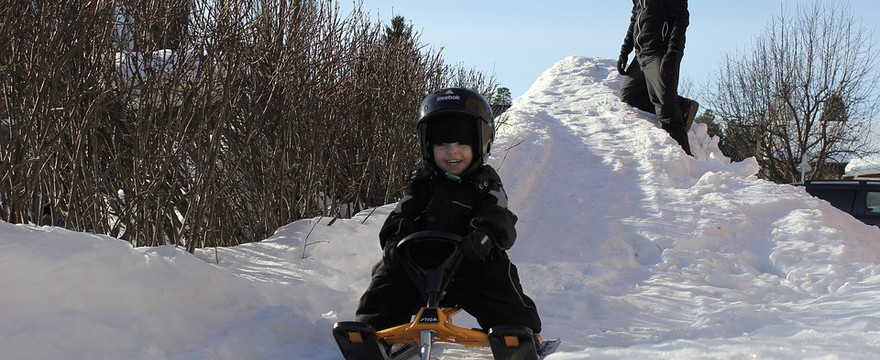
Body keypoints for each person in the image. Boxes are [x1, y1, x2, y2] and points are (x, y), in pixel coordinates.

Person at [355, 87, 543, 341]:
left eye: (461, 143)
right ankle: (373, 332)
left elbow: (499, 216)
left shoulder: (485, 182)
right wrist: (396, 238)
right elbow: (401, 214)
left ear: (480, 142)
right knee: (386, 276)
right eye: (442, 143)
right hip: (417, 266)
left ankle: (519, 332)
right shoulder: (422, 183)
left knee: (500, 276)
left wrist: (484, 236)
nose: (452, 151)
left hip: (470, 264)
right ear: (428, 146)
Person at [617, 0, 699, 155]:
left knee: (666, 110)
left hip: (661, 53)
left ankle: (685, 163)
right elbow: (635, 17)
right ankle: (683, 107)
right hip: (641, 54)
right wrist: (625, 50)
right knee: (629, 96)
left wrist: (672, 54)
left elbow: (681, 19)